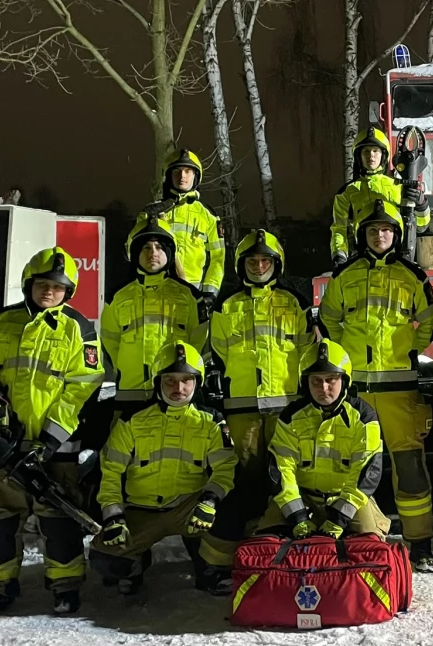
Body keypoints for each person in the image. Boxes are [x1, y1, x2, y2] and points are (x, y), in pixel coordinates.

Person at [0, 247, 104, 615]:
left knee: (58, 518)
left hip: (56, 445)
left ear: (68, 291)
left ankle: (65, 587)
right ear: (29, 284)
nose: (49, 292)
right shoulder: (1, 322)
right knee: (2, 519)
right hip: (5, 442)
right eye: (43, 285)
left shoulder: (80, 327)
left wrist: (50, 439)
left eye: (58, 287)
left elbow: (83, 386)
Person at [318, 199, 433, 571]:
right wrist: (348, 362)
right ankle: (351, 535)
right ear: (362, 235)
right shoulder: (344, 276)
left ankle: (420, 544)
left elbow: (430, 320)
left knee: (410, 466)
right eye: (373, 231)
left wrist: (411, 352)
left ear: (396, 235)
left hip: (399, 389)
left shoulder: (412, 275)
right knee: (348, 466)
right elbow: (329, 323)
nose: (380, 235)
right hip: (353, 394)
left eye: (386, 230)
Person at [90, 340, 238, 595]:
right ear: (158, 382)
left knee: (232, 511)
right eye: (170, 380)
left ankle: (211, 569)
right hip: (142, 511)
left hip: (190, 508)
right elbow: (111, 471)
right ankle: (136, 564)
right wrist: (113, 516)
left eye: (186, 380)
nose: (178, 388)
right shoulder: (131, 422)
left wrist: (210, 501)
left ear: (196, 383)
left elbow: (225, 468)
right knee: (106, 560)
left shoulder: (212, 421)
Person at [209, 230, 315, 543]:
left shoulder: (294, 302)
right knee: (244, 476)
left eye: (265, 260)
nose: (258, 266)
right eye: (252, 261)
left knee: (285, 472)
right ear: (241, 265)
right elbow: (218, 349)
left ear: (276, 263)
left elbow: (308, 348)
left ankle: (280, 536)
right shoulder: (226, 305)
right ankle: (243, 541)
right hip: (242, 407)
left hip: (286, 405)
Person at [257, 339, 389, 538]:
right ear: (306, 382)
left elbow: (367, 472)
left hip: (348, 498)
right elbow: (281, 469)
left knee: (369, 541)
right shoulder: (291, 416)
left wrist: (339, 519)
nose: (324, 387)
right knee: (267, 537)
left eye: (331, 379)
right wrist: (298, 517)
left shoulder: (363, 417)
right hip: (302, 497)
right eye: (316, 381)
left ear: (345, 380)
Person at [102, 216, 209, 410]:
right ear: (135, 253)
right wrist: (125, 372)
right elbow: (110, 342)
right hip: (130, 394)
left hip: (175, 395)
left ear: (169, 252)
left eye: (159, 247)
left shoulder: (190, 296)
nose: (153, 253)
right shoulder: (117, 296)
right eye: (146, 248)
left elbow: (199, 341)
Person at [133, 149, 225, 303]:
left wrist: (209, 294)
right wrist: (146, 220)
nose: (182, 176)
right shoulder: (152, 212)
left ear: (196, 176)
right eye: (177, 171)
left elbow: (217, 259)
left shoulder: (208, 216)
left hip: (195, 297)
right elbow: (131, 251)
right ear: (168, 176)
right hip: (155, 294)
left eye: (188, 171)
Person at [331, 127, 430, 266]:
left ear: (383, 155)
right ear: (358, 156)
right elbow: (339, 230)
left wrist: (421, 204)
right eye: (365, 151)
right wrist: (339, 257)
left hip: (398, 261)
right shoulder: (346, 193)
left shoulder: (399, 187)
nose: (370, 155)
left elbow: (421, 226)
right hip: (360, 261)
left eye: (375, 151)